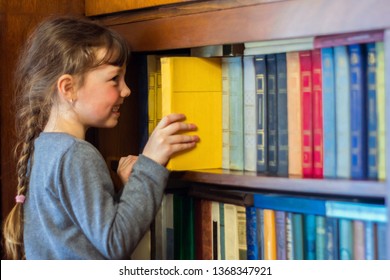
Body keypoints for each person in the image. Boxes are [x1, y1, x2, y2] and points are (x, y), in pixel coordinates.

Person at [2, 16, 199, 260]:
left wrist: (128, 191)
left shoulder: (44, 148)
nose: (126, 90)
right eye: (114, 79)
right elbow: (115, 242)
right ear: (68, 88)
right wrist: (150, 163)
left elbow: (81, 236)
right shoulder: (76, 154)